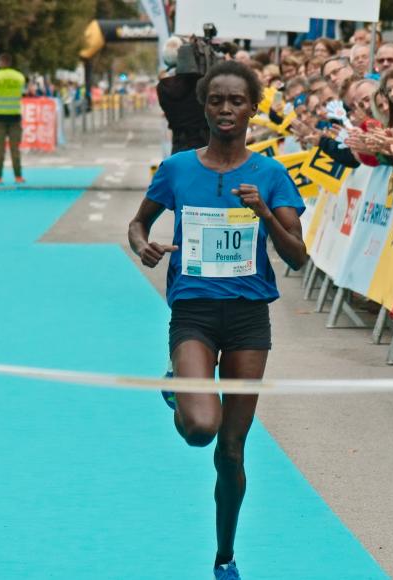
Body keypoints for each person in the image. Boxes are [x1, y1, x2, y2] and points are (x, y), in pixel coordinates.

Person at [127, 61, 308, 580]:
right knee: (200, 431)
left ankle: (224, 556)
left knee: (231, 450)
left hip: (249, 319)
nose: (226, 110)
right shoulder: (178, 169)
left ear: (253, 107)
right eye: (216, 102)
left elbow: (297, 257)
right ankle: (179, 385)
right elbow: (139, 222)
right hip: (195, 313)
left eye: (236, 102)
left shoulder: (270, 175)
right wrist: (144, 247)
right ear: (204, 107)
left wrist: (265, 215)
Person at [0, 53, 26, 185]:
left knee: (0, 149)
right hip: (15, 116)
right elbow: (22, 93)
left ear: (1, 62)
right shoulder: (19, 77)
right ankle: (18, 176)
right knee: (15, 148)